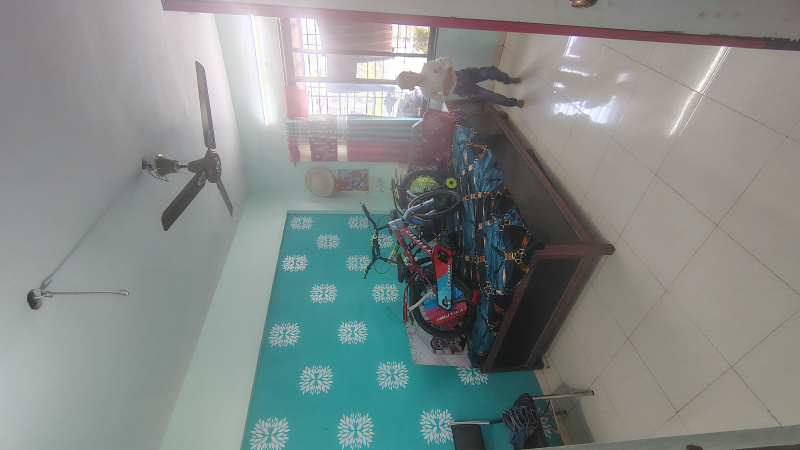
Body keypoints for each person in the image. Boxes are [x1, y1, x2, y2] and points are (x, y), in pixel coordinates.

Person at [396, 57, 525, 107]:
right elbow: (440, 99)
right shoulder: (426, 92)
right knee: (490, 96)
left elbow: (445, 60)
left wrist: (449, 70)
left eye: (410, 75)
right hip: (461, 89)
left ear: (410, 71)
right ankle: (513, 102)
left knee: (489, 71)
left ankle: (507, 79)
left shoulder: (427, 67)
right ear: (411, 88)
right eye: (410, 81)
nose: (413, 78)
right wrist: (446, 90)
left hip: (463, 74)